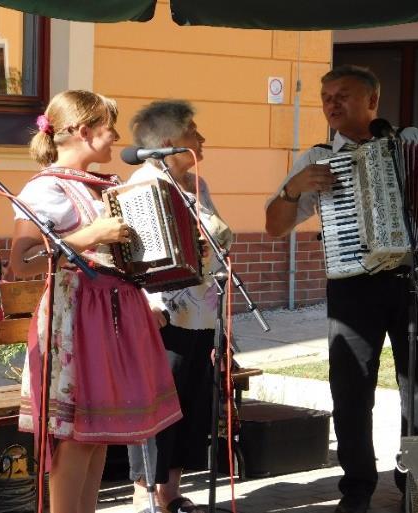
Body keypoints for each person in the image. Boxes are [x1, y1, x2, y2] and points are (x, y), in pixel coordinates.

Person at [264, 65, 418, 513]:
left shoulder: (411, 141)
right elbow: (274, 227)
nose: (332, 104)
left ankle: (413, 477)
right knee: (351, 389)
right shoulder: (315, 159)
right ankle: (357, 488)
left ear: (373, 101)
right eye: (326, 96)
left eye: (344, 95)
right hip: (353, 288)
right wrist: (295, 188)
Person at [10, 90, 182, 513]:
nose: (117, 136)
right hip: (75, 318)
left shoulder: (106, 186)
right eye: (110, 128)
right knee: (76, 438)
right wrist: (91, 235)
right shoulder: (46, 188)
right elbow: (22, 263)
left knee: (102, 434)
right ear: (84, 132)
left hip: (112, 314)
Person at [124, 100, 233, 513]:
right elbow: (136, 258)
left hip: (202, 311)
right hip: (163, 314)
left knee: (191, 406)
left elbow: (220, 239)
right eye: (193, 132)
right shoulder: (142, 184)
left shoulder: (195, 184)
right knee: (159, 406)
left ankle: (171, 493)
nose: (202, 139)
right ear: (169, 143)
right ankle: (145, 494)